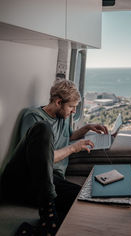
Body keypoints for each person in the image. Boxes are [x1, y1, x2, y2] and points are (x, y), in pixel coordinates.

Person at [1, 80, 108, 236]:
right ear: (58, 102)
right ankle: (47, 210)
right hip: (26, 180)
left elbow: (68, 136)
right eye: (71, 107)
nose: (73, 111)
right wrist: (73, 148)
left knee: (81, 198)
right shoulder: (33, 117)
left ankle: (40, 229)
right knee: (43, 127)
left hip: (53, 179)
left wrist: (87, 128)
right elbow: (40, 159)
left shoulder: (62, 118)